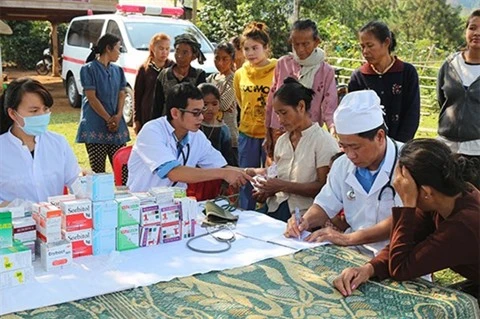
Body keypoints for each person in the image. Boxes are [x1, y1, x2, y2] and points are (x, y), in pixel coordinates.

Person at [333, 139, 480, 299]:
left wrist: (407, 206)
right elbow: (405, 244)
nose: (401, 194)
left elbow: (401, 268)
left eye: (405, 189)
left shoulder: (463, 226)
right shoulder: (445, 199)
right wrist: (368, 269)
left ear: (426, 192)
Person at [285, 90, 402, 257]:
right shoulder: (342, 165)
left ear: (380, 137)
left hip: (395, 254)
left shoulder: (406, 163)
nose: (350, 155)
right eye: (344, 147)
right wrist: (305, 221)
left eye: (355, 147)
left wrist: (348, 238)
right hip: (355, 253)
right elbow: (325, 204)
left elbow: (402, 220)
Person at [127, 82, 251, 192]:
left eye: (202, 111)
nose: (201, 117)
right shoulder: (152, 131)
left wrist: (255, 172)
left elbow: (221, 166)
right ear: (175, 113)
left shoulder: (196, 135)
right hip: (142, 206)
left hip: (176, 207)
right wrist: (224, 174)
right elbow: (174, 173)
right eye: (195, 113)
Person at [245, 78, 339, 222]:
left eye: (284, 112)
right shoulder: (282, 141)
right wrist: (266, 191)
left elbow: (324, 188)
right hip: (275, 207)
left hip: (304, 216)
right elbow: (275, 174)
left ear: (301, 106)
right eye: (277, 114)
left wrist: (282, 186)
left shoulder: (323, 141)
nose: (280, 120)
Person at [264, 19, 338, 159]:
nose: (300, 49)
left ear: (316, 42)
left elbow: (330, 104)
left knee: (304, 169)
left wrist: (333, 129)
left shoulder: (325, 71)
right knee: (279, 167)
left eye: (306, 44)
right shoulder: (283, 64)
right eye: (296, 44)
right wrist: (267, 129)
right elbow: (271, 98)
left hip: (308, 131)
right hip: (279, 128)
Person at [0, 78, 80, 203]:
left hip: (54, 220)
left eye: (46, 109)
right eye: (34, 111)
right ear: (13, 114)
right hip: (13, 222)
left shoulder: (58, 143)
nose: (42, 115)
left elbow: (76, 181)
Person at [348, 21, 420, 143]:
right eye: (362, 46)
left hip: (400, 144)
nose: (365, 51)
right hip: (368, 146)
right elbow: (354, 116)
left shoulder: (407, 72)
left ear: (386, 43)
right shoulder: (359, 77)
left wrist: (399, 145)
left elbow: (412, 113)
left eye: (370, 45)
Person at [234, 22, 277, 210]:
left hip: (271, 134)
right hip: (247, 133)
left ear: (266, 48)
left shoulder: (278, 70)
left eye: (255, 48)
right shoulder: (239, 74)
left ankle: (269, 212)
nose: (251, 53)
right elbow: (240, 101)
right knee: (246, 176)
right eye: (246, 49)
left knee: (271, 176)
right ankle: (246, 212)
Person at [75, 33, 130, 173]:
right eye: (118, 48)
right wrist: (108, 119)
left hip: (117, 127)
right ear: (108, 48)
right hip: (95, 126)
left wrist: (117, 116)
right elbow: (91, 98)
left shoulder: (118, 70)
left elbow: (122, 94)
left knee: (123, 171)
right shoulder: (88, 69)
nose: (120, 53)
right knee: (98, 173)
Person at [437, 9, 480, 159]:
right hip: (447, 147)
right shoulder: (450, 65)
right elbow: (442, 101)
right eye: (472, 28)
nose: (476, 33)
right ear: (465, 31)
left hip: (477, 150)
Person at [152, 33, 206, 119]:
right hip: (167, 123)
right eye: (177, 51)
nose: (180, 55)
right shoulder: (164, 75)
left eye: (185, 52)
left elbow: (201, 104)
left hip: (190, 124)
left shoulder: (199, 75)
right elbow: (157, 106)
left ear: (194, 56)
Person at [133, 33, 173, 134]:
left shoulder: (172, 67)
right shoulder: (145, 68)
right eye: (161, 48)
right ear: (152, 48)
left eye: (167, 49)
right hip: (148, 113)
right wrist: (136, 119)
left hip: (167, 114)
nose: (164, 52)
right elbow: (138, 95)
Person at [207, 42, 239, 164]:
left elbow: (225, 105)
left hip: (229, 134)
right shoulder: (211, 78)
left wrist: (211, 104)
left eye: (225, 59)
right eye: (217, 58)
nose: (220, 62)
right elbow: (200, 101)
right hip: (210, 131)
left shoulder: (234, 79)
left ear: (232, 59)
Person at [198, 83, 235, 166]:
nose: (210, 108)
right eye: (205, 104)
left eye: (214, 104)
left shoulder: (223, 129)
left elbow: (227, 157)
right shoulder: (193, 127)